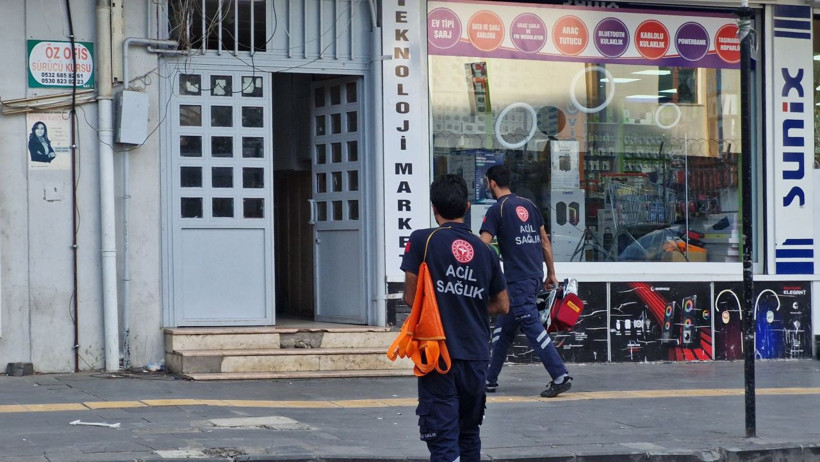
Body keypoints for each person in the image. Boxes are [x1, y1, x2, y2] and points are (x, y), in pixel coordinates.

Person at [401, 174, 509, 462]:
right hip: (476, 357)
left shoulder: (423, 240)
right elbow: (502, 304)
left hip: (439, 355)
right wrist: (468, 302)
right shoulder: (485, 250)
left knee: (443, 438)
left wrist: (446, 301)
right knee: (469, 434)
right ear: (468, 206)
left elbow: (411, 298)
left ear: (434, 208)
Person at [479, 164, 573, 398]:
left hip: (518, 281)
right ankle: (488, 379)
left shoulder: (497, 210)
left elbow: (483, 245)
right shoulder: (529, 206)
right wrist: (551, 273)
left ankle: (560, 375)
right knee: (503, 330)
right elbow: (544, 241)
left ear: (491, 183)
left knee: (532, 327)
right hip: (531, 278)